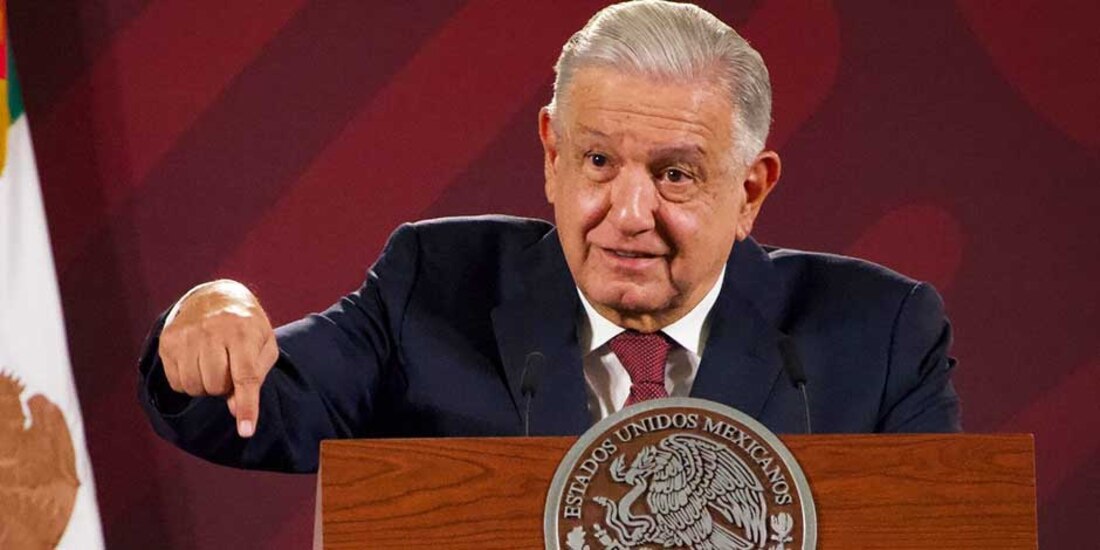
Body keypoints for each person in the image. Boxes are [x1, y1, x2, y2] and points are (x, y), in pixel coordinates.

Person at [138, 0, 960, 473]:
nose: (628, 212)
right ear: (551, 156)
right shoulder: (437, 287)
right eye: (598, 160)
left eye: (675, 175)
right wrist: (210, 321)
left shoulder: (878, 334)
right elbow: (254, 408)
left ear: (750, 192)